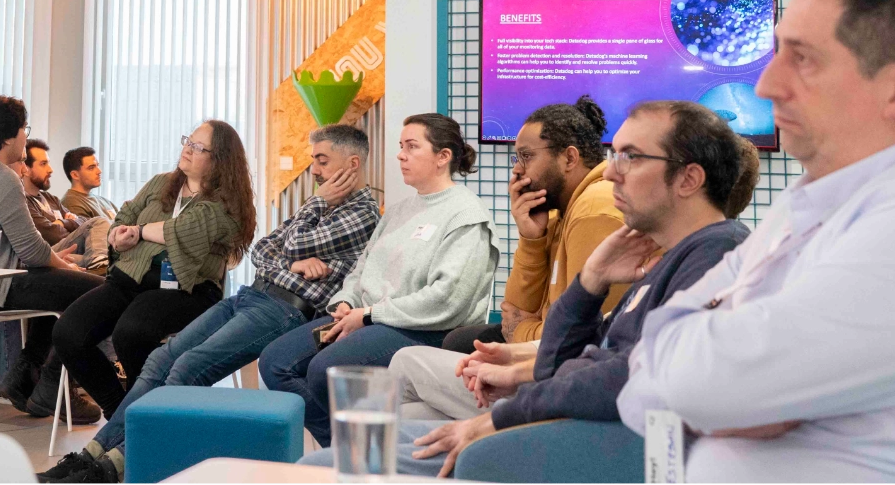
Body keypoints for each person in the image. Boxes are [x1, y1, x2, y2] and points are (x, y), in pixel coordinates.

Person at [307, 101, 756, 477]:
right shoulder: (671, 252)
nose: (611, 173)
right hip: (560, 417)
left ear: (689, 179)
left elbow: (625, 377)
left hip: (582, 439)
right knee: (377, 432)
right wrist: (590, 280)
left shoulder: (712, 257)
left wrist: (497, 418)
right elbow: (566, 357)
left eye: (631, 157)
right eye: (614, 156)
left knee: (327, 464)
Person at [617, 0, 895, 483]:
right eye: (776, 53)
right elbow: (644, 390)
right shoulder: (804, 204)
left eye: (804, 58)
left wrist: (701, 369)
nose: (766, 85)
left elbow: (700, 385)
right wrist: (716, 382)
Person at [40, 124, 381, 485]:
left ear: (353, 164)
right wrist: (293, 262)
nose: (314, 170)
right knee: (160, 360)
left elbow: (291, 245)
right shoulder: (322, 205)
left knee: (188, 367)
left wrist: (306, 222)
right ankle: (92, 456)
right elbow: (264, 249)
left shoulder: (361, 213)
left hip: (283, 309)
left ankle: (116, 465)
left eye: (322, 161)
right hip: (252, 294)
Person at [258, 113, 501, 448]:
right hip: (367, 317)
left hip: (423, 329)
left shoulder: (467, 215)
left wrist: (369, 314)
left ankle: (354, 451)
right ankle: (344, 445)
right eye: (401, 146)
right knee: (275, 362)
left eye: (412, 147)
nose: (400, 155)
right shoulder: (399, 210)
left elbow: (447, 299)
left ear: (443, 157)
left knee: (325, 370)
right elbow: (361, 269)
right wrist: (345, 303)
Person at [48, 121, 256, 433]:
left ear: (219, 159)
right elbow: (125, 216)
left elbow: (186, 231)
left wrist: (140, 232)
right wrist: (119, 233)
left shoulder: (227, 202)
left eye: (198, 147)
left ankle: (147, 420)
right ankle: (122, 413)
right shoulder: (161, 183)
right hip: (130, 280)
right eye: (188, 140)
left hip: (189, 291)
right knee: (68, 332)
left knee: (131, 332)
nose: (187, 148)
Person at [0, 94, 104, 423]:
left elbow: (22, 248)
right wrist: (63, 265)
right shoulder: (2, 177)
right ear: (7, 136)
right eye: (24, 129)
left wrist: (54, 261)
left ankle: (25, 377)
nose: (26, 137)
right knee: (100, 292)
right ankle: (53, 386)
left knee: (57, 284)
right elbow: (30, 251)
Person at [498, 95, 627, 344]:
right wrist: (531, 239)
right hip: (548, 347)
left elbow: (584, 336)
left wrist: (522, 332)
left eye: (527, 156)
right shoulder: (559, 208)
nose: (517, 170)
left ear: (569, 158)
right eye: (517, 158)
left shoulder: (594, 210)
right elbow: (513, 310)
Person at [23, 140, 110, 275]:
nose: (50, 169)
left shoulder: (51, 199)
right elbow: (50, 234)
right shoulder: (23, 201)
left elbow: (82, 222)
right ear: (26, 169)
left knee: (92, 259)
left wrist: (63, 222)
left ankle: (99, 268)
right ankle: (100, 269)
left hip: (69, 250)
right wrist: (70, 224)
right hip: (48, 254)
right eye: (43, 164)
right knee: (98, 222)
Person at [62, 146, 118, 221]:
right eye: (91, 168)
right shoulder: (72, 203)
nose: (99, 171)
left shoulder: (105, 201)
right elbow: (91, 232)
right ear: (75, 175)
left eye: (97, 165)